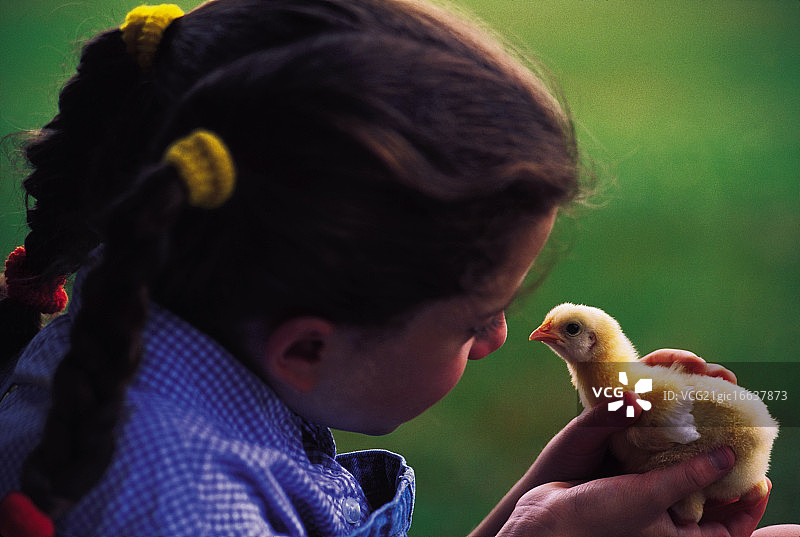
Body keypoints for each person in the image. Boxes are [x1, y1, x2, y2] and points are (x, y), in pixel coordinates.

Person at [0, 1, 791, 535]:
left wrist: (531, 506)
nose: (499, 338)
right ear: (308, 347)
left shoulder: (165, 349)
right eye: (477, 321)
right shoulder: (179, 504)